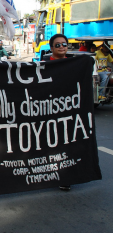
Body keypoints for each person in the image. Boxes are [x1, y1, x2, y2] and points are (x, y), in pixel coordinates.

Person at [48, 33, 71, 191]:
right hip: (47, 111)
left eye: (64, 44)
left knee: (67, 143)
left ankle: (65, 176)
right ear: (51, 48)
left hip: (68, 110)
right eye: (58, 45)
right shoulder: (43, 64)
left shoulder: (74, 64)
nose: (62, 47)